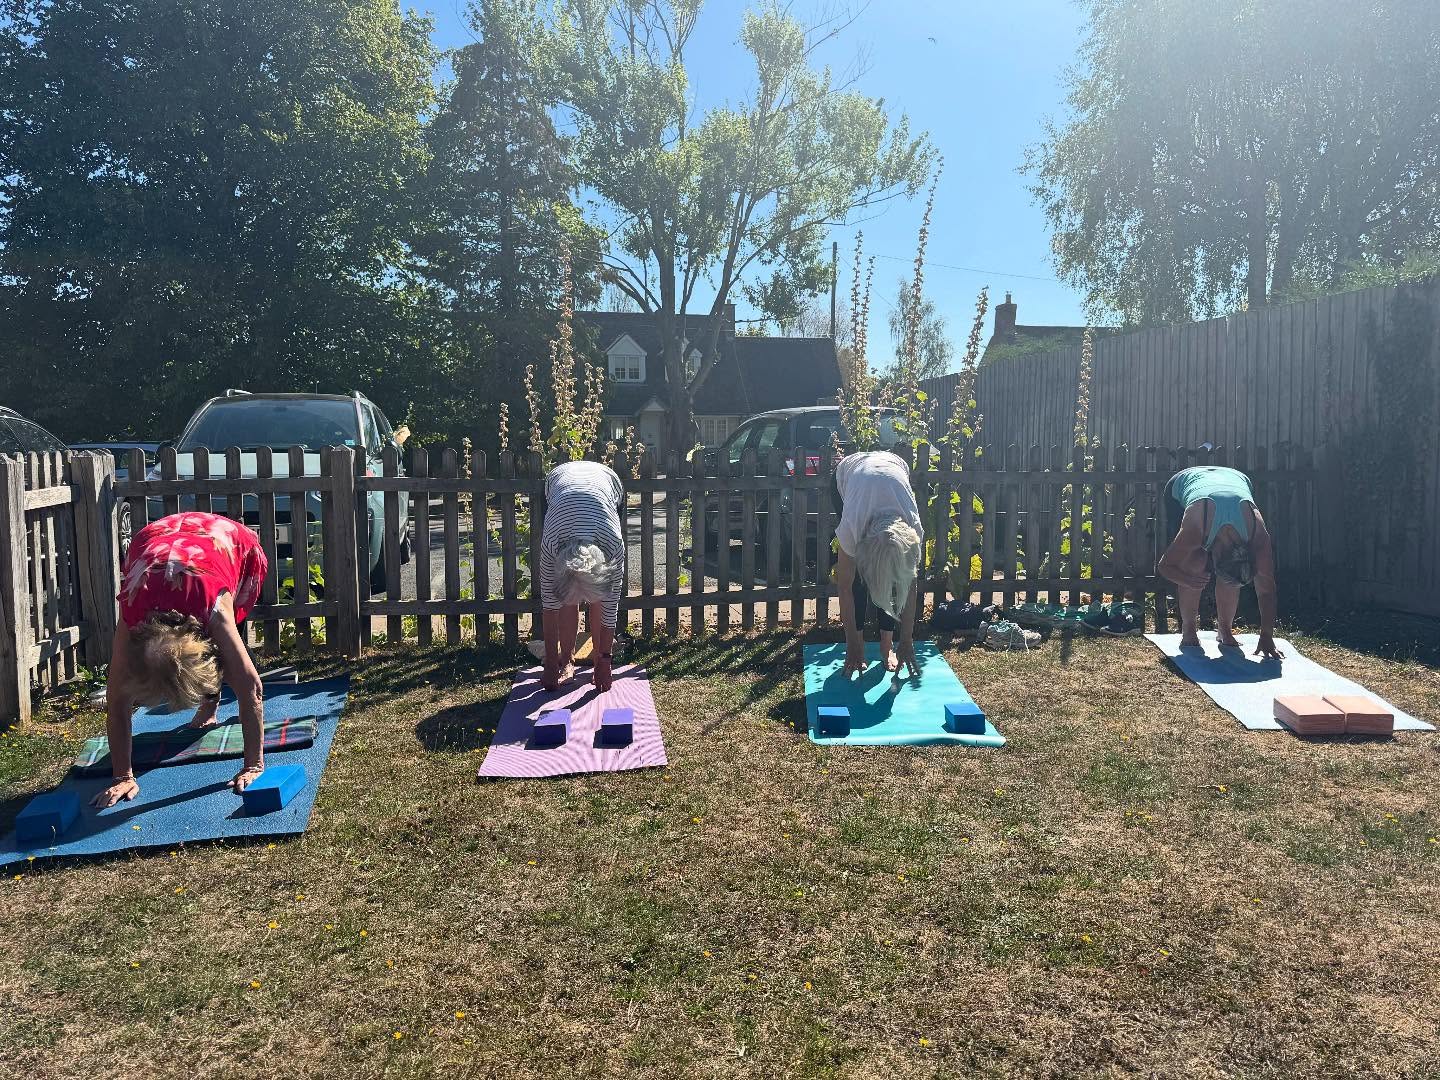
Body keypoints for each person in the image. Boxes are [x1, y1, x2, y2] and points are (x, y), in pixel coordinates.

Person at [93, 512, 269, 809]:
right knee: (221, 645)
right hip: (157, 538)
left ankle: (209, 704)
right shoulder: (133, 610)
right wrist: (122, 776)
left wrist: (254, 765)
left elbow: (251, 689)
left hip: (223, 539)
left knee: (229, 649)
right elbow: (117, 703)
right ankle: (208, 707)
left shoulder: (212, 607)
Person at [1156, 465, 1282, 659]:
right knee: (1194, 562)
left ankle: (1225, 630)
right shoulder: (1196, 528)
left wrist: (1267, 635)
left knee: (1233, 575)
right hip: (1183, 482)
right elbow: (1165, 566)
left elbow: (1267, 590)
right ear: (1215, 559)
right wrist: (1186, 579)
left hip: (1237, 479)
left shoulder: (1258, 537)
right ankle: (1188, 630)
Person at [834, 450, 924, 678]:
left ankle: (887, 646)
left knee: (894, 580)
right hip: (850, 471)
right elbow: (844, 587)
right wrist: (852, 644)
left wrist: (906, 640)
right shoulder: (852, 526)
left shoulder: (912, 531)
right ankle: (860, 647)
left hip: (895, 465)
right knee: (858, 581)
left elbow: (910, 586)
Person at [539, 460, 626, 692]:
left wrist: (606, 660)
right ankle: (566, 661)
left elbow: (610, 606)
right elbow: (549, 603)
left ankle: (597, 660)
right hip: (559, 482)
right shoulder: (551, 543)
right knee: (567, 598)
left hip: (607, 483)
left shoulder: (613, 545)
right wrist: (549, 662)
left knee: (600, 599)